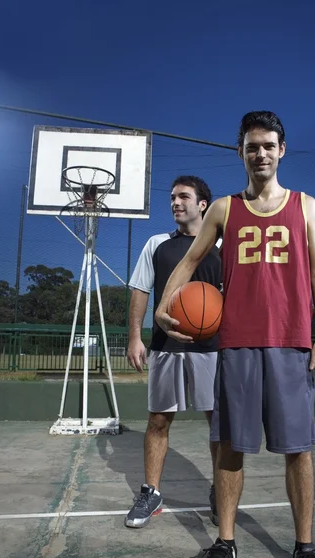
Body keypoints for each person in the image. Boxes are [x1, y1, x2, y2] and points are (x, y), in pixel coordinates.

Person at [154, 111, 315, 558]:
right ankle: (226, 543)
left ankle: (305, 548)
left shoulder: (306, 206)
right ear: (241, 152)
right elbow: (190, 260)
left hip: (291, 339)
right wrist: (164, 307)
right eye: (252, 146)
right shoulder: (225, 210)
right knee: (231, 446)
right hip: (235, 342)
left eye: (269, 145)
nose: (261, 153)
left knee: (298, 449)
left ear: (282, 151)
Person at [125, 175, 222, 529]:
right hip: (165, 348)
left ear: (202, 204)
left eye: (183, 196)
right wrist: (135, 336)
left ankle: (219, 491)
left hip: (212, 349)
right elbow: (139, 290)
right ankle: (151, 492)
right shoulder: (157, 243)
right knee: (158, 420)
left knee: (218, 424)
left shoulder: (223, 245)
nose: (175, 202)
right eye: (172, 197)